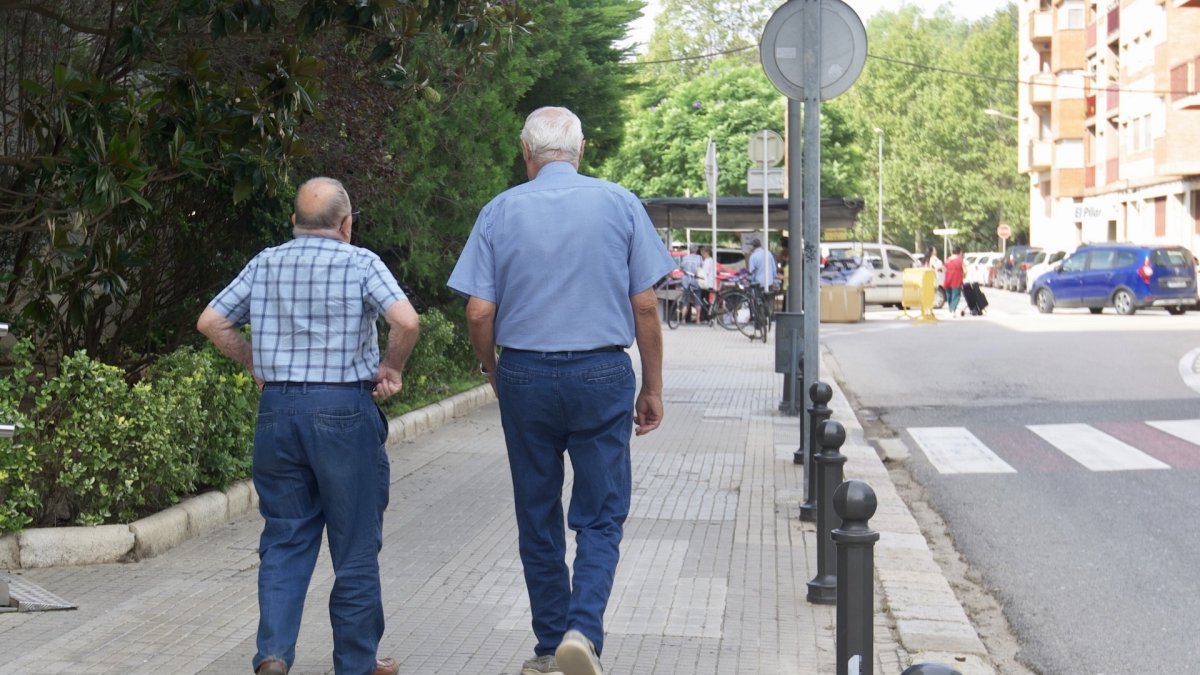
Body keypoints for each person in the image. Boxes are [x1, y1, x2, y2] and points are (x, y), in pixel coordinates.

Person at [447, 106, 674, 675]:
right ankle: (582, 631)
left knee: (537, 510)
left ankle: (550, 645)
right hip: (602, 372)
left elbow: (479, 311)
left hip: (524, 373)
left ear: (526, 152)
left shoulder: (499, 211)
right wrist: (652, 386)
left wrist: (491, 369)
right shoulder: (620, 203)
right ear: (582, 150)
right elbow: (645, 305)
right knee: (600, 511)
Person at [197, 177, 420, 675]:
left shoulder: (265, 262)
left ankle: (273, 656)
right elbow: (406, 321)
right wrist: (392, 367)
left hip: (278, 411)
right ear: (347, 225)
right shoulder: (362, 263)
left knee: (285, 537)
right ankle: (356, 663)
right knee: (354, 543)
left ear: (294, 222)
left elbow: (211, 322)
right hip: (344, 411)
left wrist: (255, 362)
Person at [678, 246, 704, 322]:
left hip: (686, 282)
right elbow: (702, 268)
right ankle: (698, 320)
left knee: (685, 301)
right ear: (696, 251)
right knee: (698, 300)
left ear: (690, 250)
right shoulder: (699, 258)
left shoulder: (685, 258)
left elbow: (681, 268)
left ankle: (683, 319)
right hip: (696, 281)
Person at [943, 245, 965, 317]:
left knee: (949, 294)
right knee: (956, 295)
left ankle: (950, 308)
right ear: (959, 252)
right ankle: (953, 309)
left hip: (948, 279)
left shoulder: (948, 259)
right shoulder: (960, 259)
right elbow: (965, 270)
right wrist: (963, 276)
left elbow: (945, 269)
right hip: (956, 279)